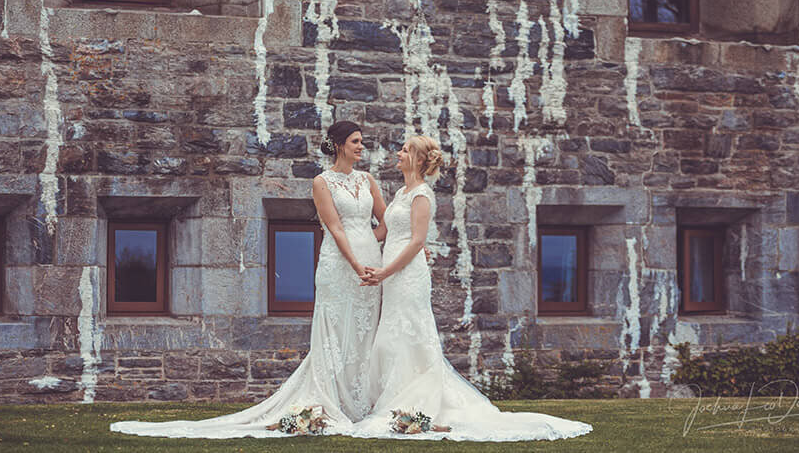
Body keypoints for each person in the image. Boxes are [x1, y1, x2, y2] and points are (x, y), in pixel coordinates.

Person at [111, 121, 390, 438]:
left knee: (365, 328)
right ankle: (335, 401)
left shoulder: (368, 180)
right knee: (336, 330)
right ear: (339, 144)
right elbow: (336, 228)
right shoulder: (321, 182)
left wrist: (371, 246)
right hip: (340, 265)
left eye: (361, 142)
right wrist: (355, 262)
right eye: (355, 141)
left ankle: (362, 401)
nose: (360, 147)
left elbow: (386, 220)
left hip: (370, 265)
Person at [352, 136, 593, 442]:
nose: (398, 154)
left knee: (410, 331)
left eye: (405, 150)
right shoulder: (401, 192)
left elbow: (416, 242)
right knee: (391, 335)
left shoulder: (422, 195)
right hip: (394, 275)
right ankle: (395, 398)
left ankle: (415, 403)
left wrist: (385, 271)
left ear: (418, 159)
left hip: (407, 275)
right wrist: (350, 239)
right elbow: (386, 231)